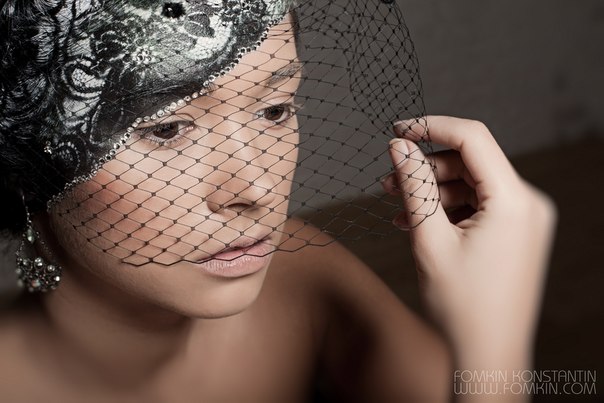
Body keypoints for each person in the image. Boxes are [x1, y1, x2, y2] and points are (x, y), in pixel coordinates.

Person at [0, 1, 556, 402]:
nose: (256, 191)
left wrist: (489, 337)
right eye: (166, 129)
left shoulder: (302, 282)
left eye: (274, 110)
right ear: (25, 157)